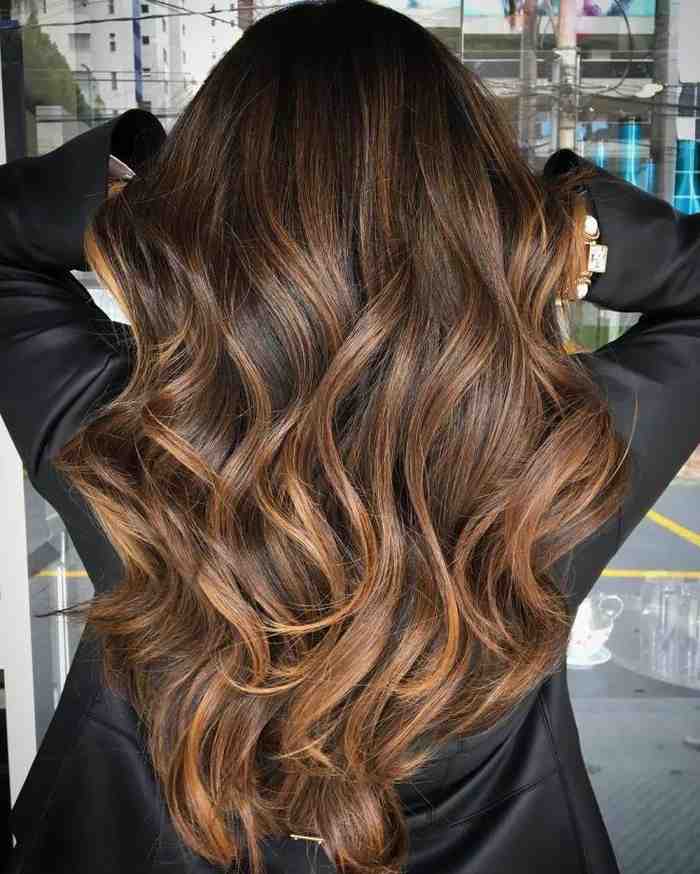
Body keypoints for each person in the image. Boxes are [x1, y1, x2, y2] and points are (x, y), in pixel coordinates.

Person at [1, 1, 699, 872]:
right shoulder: (562, 451)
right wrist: (572, 239)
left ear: (206, 209)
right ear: (475, 208)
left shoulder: (122, 429)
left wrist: (143, 213)